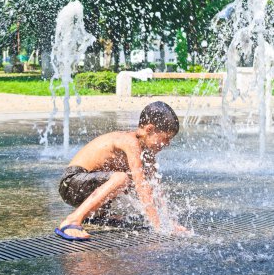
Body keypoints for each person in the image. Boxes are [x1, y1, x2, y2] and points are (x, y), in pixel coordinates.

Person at [55, 101, 188, 240]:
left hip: (86, 187)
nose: (167, 144)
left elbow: (155, 189)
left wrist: (169, 222)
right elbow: (141, 188)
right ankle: (72, 220)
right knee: (122, 178)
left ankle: (99, 214)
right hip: (71, 183)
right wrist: (157, 226)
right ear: (149, 129)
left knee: (140, 179)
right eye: (165, 138)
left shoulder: (147, 152)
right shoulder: (130, 142)